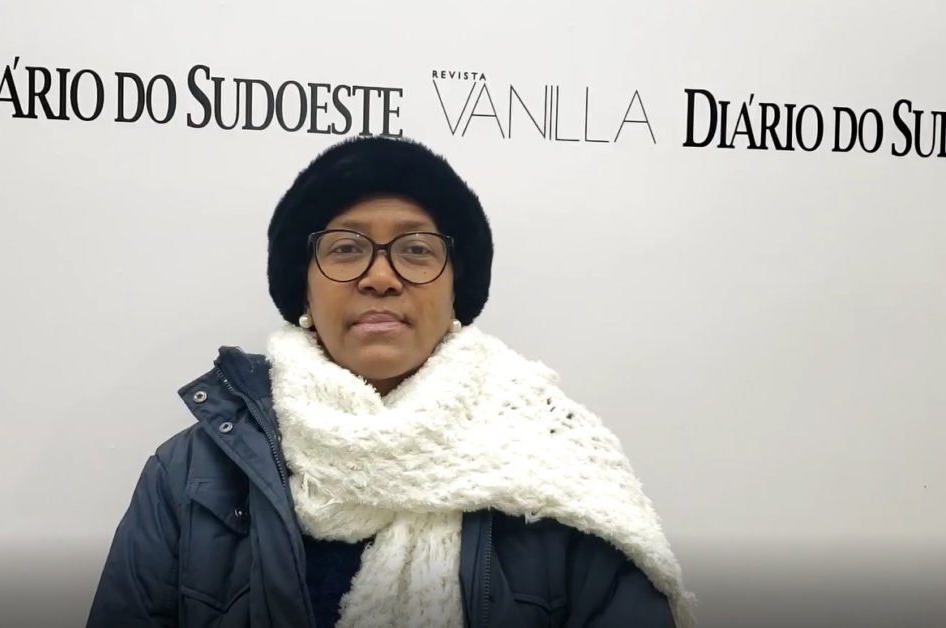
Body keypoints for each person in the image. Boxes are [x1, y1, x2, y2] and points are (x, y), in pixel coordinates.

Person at [87, 136, 694, 628]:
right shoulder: (190, 477)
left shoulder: (558, 467)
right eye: (346, 249)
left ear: (457, 289)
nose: (380, 277)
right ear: (304, 289)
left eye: (416, 250)